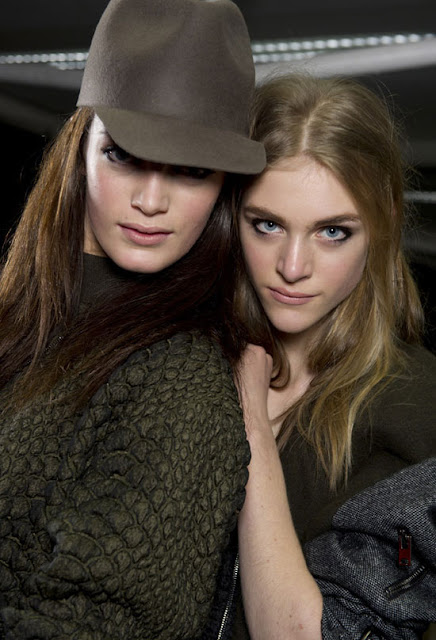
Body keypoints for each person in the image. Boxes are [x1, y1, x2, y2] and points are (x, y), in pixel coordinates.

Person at [0, 0, 266, 638]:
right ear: (80, 149)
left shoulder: (181, 381)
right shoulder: (19, 316)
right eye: (124, 156)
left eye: (191, 171)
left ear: (223, 187)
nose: (151, 201)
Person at [230, 73, 436, 639]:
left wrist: (250, 423)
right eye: (266, 225)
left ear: (384, 221)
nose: (292, 267)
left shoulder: (419, 411)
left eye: (332, 232)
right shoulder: (180, 363)